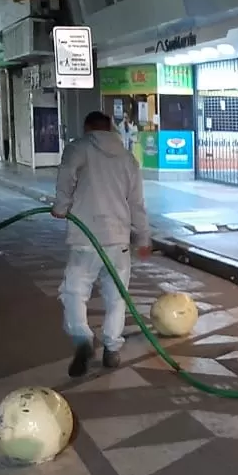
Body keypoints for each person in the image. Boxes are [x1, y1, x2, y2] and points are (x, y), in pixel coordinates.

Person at [52, 111, 151, 377]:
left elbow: (65, 179)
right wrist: (143, 237)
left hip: (86, 238)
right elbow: (137, 204)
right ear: (110, 128)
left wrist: (61, 207)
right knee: (117, 297)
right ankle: (111, 348)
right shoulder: (128, 159)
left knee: (74, 292)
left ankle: (83, 338)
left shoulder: (78, 148)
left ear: (87, 128)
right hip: (118, 239)